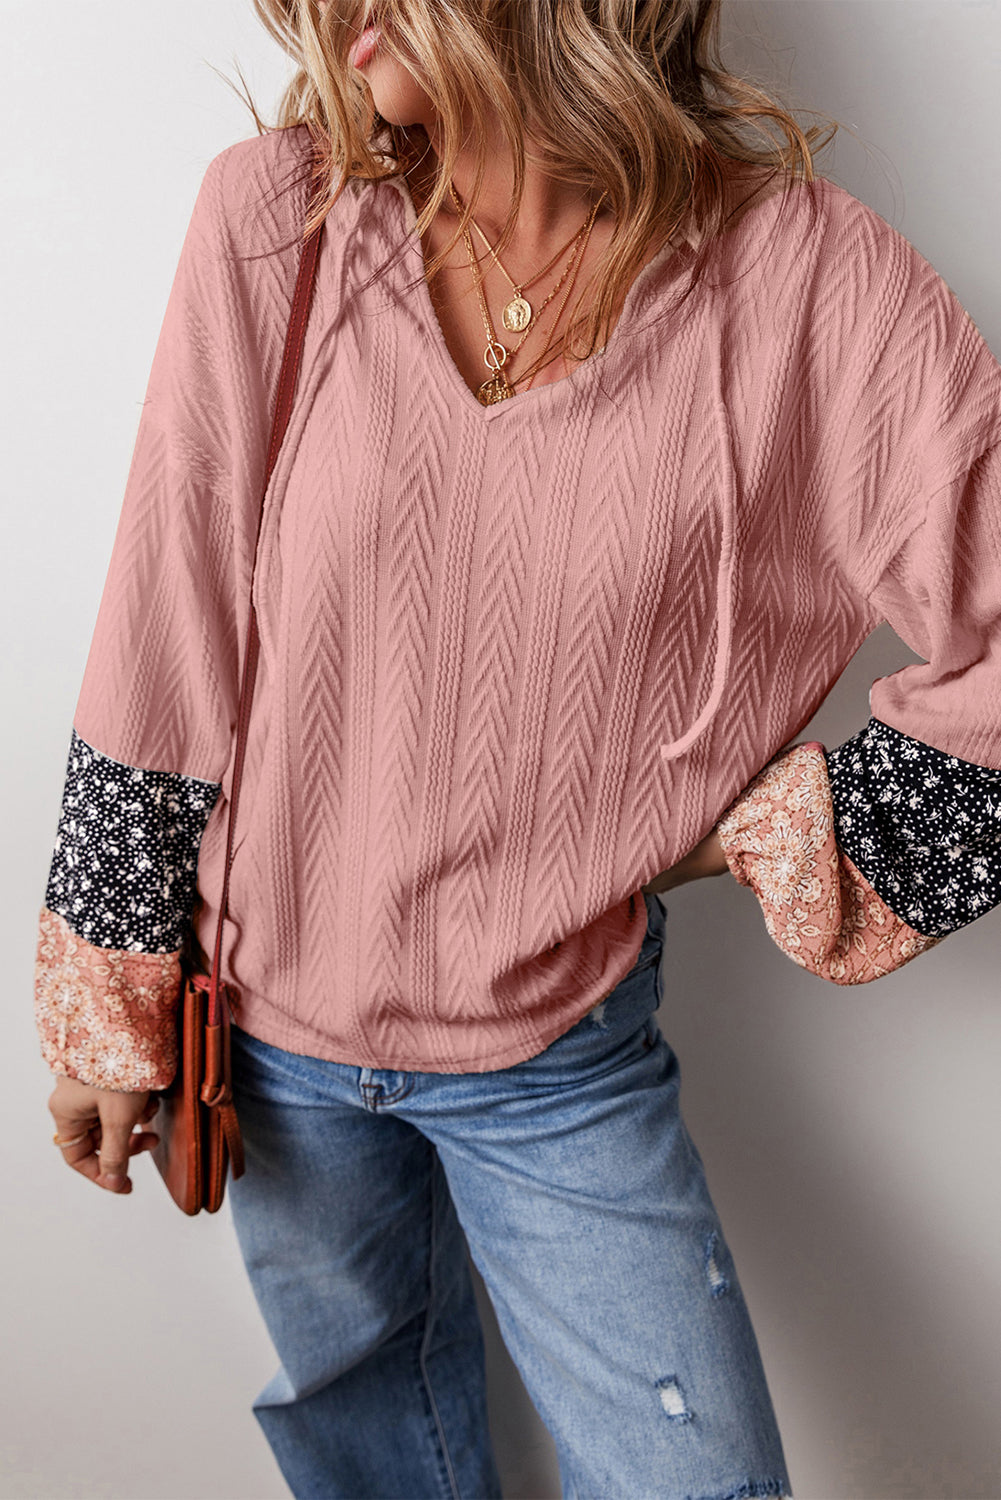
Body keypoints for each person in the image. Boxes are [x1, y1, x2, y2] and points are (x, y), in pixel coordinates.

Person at [34, 1, 1001, 1496]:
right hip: (268, 1039)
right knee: (368, 1457)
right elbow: (168, 619)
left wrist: (757, 831)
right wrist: (109, 1008)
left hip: (555, 1056)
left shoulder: (811, 287)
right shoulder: (277, 220)